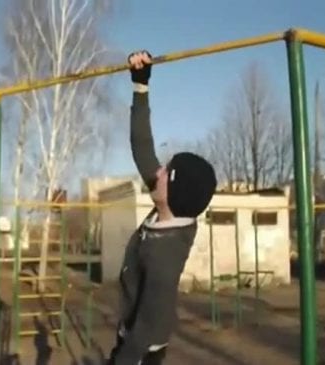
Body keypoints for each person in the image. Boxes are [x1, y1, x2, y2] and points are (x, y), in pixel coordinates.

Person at [107, 51, 217, 365]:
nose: (156, 172)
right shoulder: (167, 210)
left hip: (141, 353)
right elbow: (142, 147)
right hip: (131, 337)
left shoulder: (164, 257)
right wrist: (141, 87)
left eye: (165, 174)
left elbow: (149, 325)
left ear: (175, 195)